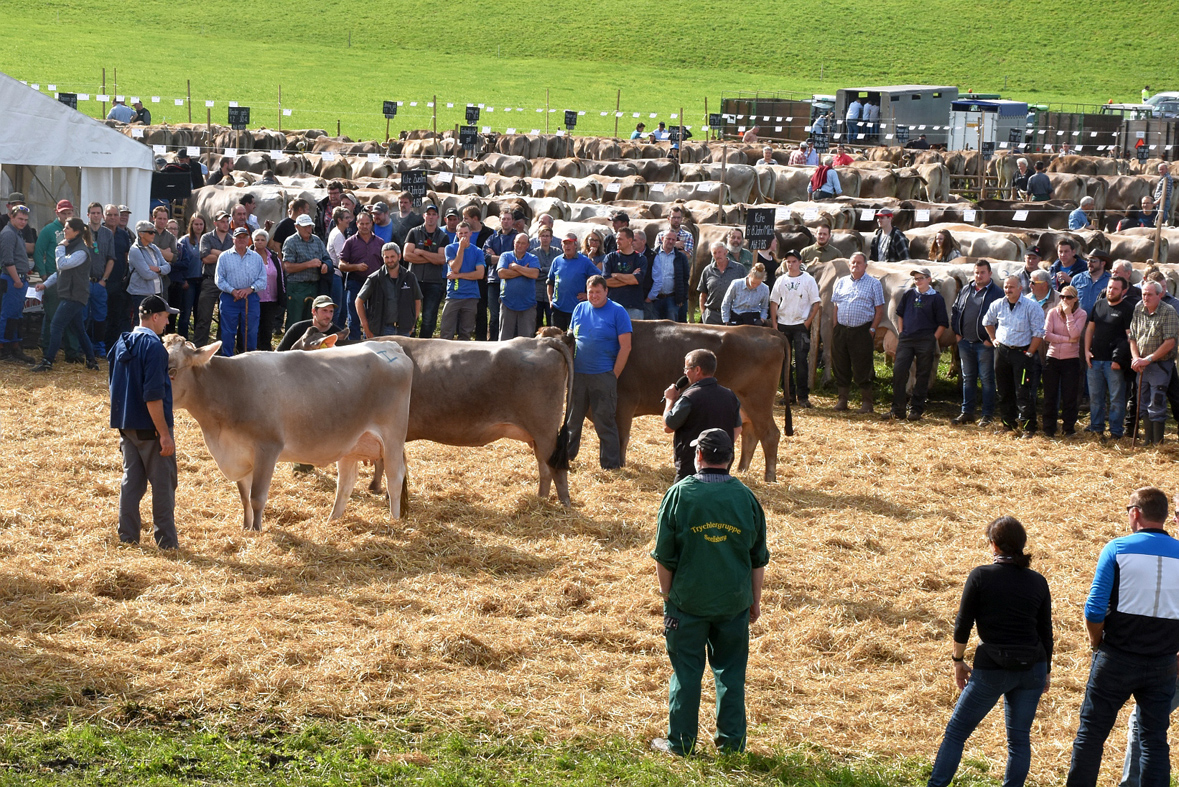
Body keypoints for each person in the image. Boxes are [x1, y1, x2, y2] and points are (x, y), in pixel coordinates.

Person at [650, 428, 768, 756]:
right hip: (733, 603)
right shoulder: (746, 498)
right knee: (730, 673)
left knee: (686, 673)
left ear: (698, 456)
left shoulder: (678, 495)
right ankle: (732, 746)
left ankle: (680, 744)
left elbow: (663, 555)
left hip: (687, 603)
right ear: (730, 458)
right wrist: (754, 601)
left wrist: (668, 595)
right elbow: (758, 559)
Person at [1065, 487, 1179, 787]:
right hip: (1163, 661)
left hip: (1116, 655)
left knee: (1091, 735)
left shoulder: (1117, 548)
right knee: (1154, 741)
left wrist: (1096, 642)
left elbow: (1094, 608)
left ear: (1136, 513)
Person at [926, 516, 1052, 787]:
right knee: (1019, 739)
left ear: (994, 545)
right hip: (1033, 666)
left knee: (957, 732)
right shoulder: (1038, 581)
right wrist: (1047, 672)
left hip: (993, 667)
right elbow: (1046, 632)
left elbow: (963, 625)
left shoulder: (981, 576)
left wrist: (958, 660)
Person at [108, 295, 179, 550]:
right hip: (151, 428)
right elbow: (152, 396)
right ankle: (167, 543)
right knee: (163, 485)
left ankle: (127, 538)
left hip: (127, 427)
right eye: (166, 316)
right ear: (155, 317)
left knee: (131, 483)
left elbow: (114, 385)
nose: (168, 321)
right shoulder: (155, 348)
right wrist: (164, 434)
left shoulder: (120, 343)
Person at [568, 276, 631, 469]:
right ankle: (566, 459)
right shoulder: (579, 309)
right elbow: (571, 339)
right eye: (590, 292)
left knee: (604, 422)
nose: (593, 296)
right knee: (572, 420)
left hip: (603, 374)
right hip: (578, 375)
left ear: (606, 291)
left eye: (597, 292)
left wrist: (614, 374)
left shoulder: (618, 312)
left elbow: (626, 346)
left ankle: (610, 465)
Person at [662, 349, 743, 483]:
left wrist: (670, 400)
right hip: (722, 469)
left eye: (687, 368)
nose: (684, 372)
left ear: (697, 370)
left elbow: (668, 426)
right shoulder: (730, 395)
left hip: (691, 469)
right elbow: (738, 428)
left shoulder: (689, 397)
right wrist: (718, 449)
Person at [31, 217, 99, 372]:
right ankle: (92, 361)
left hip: (74, 296)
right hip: (70, 295)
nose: (64, 230)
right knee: (79, 329)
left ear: (76, 232)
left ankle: (48, 361)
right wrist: (45, 284)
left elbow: (62, 264)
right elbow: (60, 272)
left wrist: (59, 247)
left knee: (56, 325)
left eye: (67, 228)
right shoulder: (72, 248)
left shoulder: (81, 251)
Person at [983, 276, 1046, 437]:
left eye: (1011, 287)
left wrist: (1030, 352)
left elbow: (1039, 332)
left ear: (1020, 288)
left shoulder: (1031, 306)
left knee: (1023, 391)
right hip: (1002, 351)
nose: (1008, 290)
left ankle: (1028, 427)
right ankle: (1007, 424)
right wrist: (993, 339)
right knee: (1004, 390)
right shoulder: (997, 304)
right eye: (1005, 287)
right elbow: (987, 321)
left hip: (1022, 353)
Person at [886, 267, 948, 421]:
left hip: (925, 340)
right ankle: (897, 409)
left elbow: (942, 323)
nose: (917, 281)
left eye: (921, 278)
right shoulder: (908, 294)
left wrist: (933, 339)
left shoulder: (936, 298)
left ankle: (916, 410)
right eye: (915, 278)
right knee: (899, 371)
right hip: (907, 339)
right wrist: (901, 332)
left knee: (922, 375)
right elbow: (900, 314)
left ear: (929, 279)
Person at [951, 260, 1004, 426]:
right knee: (968, 378)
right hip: (965, 342)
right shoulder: (966, 290)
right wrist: (958, 334)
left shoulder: (997, 293)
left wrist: (991, 340)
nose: (979, 276)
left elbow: (1002, 318)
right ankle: (967, 412)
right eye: (976, 272)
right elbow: (955, 310)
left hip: (984, 344)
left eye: (982, 272)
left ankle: (987, 414)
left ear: (990, 274)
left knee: (987, 379)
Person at [831, 252, 885, 413]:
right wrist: (835, 325)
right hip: (841, 329)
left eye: (859, 263)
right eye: (853, 262)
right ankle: (842, 400)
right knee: (841, 364)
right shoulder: (841, 282)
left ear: (865, 266)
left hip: (862, 330)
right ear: (849, 264)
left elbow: (879, 309)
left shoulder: (874, 284)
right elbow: (836, 305)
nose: (855, 265)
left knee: (862, 365)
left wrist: (872, 329)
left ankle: (867, 402)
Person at [1084, 275, 1134, 440]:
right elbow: (1090, 329)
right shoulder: (1099, 304)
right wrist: (1086, 351)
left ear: (1123, 291)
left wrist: (1120, 360)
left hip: (1113, 363)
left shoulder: (1127, 309)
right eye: (1110, 287)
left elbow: (1130, 338)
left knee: (1116, 400)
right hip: (1095, 360)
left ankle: (1115, 433)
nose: (1111, 291)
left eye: (1115, 288)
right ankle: (1097, 429)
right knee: (1096, 399)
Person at [1129, 280, 1178, 445]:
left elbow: (1169, 343)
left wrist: (1148, 359)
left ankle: (1158, 443)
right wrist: (1136, 358)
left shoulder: (1168, 312)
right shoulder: (1138, 308)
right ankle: (1148, 440)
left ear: (1160, 295)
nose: (1145, 297)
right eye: (1143, 294)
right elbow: (1133, 338)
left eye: (1149, 294)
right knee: (1142, 402)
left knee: (1156, 401)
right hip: (1142, 365)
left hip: (1160, 365)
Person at [769, 250, 819, 408]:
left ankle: (803, 396)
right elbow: (774, 302)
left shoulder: (808, 280)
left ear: (800, 262)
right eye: (788, 261)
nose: (791, 265)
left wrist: (808, 322)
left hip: (800, 325)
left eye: (794, 261)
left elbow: (816, 302)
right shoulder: (781, 280)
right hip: (784, 324)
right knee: (785, 361)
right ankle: (788, 395)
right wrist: (775, 324)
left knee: (802, 362)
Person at [1041, 285, 1087, 437]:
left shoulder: (1081, 314)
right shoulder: (1052, 312)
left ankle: (1068, 428)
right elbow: (1046, 335)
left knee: (1070, 396)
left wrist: (1068, 315)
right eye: (1062, 297)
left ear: (1075, 299)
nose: (1064, 300)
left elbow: (1076, 334)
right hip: (1052, 357)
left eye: (1068, 297)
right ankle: (1049, 428)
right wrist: (1066, 340)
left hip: (1071, 359)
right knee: (1050, 395)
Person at [214, 226, 266, 356]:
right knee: (227, 331)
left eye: (244, 237)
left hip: (250, 299)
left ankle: (249, 358)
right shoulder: (224, 257)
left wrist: (250, 289)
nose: (241, 240)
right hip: (229, 298)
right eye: (238, 237)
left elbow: (262, 280)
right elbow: (219, 279)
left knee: (251, 331)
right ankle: (228, 359)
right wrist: (232, 291)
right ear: (233, 239)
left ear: (248, 239)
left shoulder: (256, 257)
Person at [355, 241, 421, 338]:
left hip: (403, 330)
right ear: (383, 258)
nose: (390, 260)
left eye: (392, 256)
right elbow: (358, 301)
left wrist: (412, 323)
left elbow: (417, 300)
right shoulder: (374, 278)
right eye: (386, 257)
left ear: (399, 256)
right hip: (379, 330)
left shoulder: (410, 277)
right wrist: (365, 326)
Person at [338, 210, 385, 340]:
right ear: (357, 224)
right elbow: (341, 265)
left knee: (372, 316)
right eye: (361, 224)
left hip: (374, 284)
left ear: (371, 223)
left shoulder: (380, 242)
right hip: (355, 283)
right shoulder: (350, 242)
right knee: (353, 316)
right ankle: (353, 345)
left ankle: (369, 342)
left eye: (367, 223)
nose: (364, 226)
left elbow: (385, 264)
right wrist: (355, 267)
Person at [0, 204, 35, 364]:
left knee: (16, 315)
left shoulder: (17, 233)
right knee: (8, 315)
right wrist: (16, 280)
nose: (23, 222)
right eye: (20, 219)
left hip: (19, 279)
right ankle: (4, 349)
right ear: (11, 217)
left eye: (25, 220)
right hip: (13, 280)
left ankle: (14, 346)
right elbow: (7, 260)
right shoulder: (8, 234)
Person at [282, 214, 329, 330]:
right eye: (305, 227)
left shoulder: (317, 240)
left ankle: (309, 344)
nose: (308, 229)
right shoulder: (291, 242)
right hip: (297, 286)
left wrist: (326, 265)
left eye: (310, 226)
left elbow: (326, 257)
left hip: (313, 285)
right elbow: (287, 267)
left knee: (311, 320)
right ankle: (291, 346)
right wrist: (309, 264)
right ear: (296, 227)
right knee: (295, 320)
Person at [439, 222, 485, 340]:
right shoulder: (450, 248)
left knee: (466, 332)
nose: (464, 236)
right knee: (446, 331)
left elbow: (480, 274)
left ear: (471, 233)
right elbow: (455, 267)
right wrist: (461, 248)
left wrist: (458, 276)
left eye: (466, 233)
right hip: (454, 295)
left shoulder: (478, 251)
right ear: (457, 234)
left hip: (471, 295)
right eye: (461, 233)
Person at [547, 232, 601, 331]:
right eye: (565, 243)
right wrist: (551, 300)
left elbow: (599, 279)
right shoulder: (557, 261)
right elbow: (550, 282)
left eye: (569, 243)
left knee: (576, 339)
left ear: (575, 245)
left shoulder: (584, 261)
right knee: (558, 339)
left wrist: (587, 295)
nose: (567, 246)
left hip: (577, 308)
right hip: (558, 308)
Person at [195, 211, 233, 346]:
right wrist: (225, 255)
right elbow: (205, 258)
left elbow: (233, 260)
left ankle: (221, 349)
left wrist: (215, 252)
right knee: (203, 318)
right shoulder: (206, 237)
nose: (225, 224)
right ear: (215, 223)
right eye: (222, 221)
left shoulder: (232, 239)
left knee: (225, 318)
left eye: (227, 221)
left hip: (227, 282)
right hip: (210, 280)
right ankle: (199, 348)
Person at [482, 209, 518, 342]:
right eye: (503, 218)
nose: (506, 221)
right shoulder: (492, 238)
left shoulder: (518, 238)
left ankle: (509, 343)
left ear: (513, 221)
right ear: (499, 220)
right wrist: (507, 259)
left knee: (510, 314)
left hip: (512, 280)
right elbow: (485, 258)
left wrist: (495, 257)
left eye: (508, 219)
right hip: (494, 280)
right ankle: (492, 342)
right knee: (494, 315)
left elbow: (519, 260)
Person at [600, 227, 649, 323]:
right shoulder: (610, 258)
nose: (617, 241)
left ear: (630, 240)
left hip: (634, 308)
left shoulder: (640, 259)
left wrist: (616, 275)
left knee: (634, 337)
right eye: (617, 238)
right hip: (612, 306)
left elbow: (637, 280)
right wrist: (630, 277)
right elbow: (606, 281)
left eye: (620, 239)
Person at [496, 233, 540, 339]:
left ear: (528, 245)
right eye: (518, 243)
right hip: (507, 302)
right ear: (514, 243)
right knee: (504, 338)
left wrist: (515, 267)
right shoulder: (505, 256)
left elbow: (534, 274)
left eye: (523, 243)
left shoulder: (533, 258)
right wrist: (524, 270)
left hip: (527, 304)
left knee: (526, 339)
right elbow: (502, 274)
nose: (519, 245)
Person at [126, 220, 171, 316]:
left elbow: (168, 267)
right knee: (141, 321)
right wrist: (161, 271)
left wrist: (157, 269)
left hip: (157, 292)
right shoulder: (135, 250)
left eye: (154, 232)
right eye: (150, 232)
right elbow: (146, 274)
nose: (153, 234)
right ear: (141, 234)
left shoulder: (154, 248)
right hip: (140, 294)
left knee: (155, 321)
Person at [645, 229, 691, 322]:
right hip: (655, 298)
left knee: (672, 326)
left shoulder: (680, 257)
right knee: (654, 325)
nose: (670, 241)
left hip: (672, 298)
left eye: (673, 240)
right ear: (662, 238)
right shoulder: (652, 254)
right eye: (668, 238)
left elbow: (685, 278)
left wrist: (681, 297)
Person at [697, 243, 747, 325]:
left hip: (733, 315)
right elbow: (703, 294)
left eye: (719, 252)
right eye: (714, 253)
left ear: (726, 252)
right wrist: (703, 313)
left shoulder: (739, 269)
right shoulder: (707, 270)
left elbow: (746, 291)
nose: (717, 255)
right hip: (712, 315)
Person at [252, 229, 285, 351]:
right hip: (255, 298)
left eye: (262, 240)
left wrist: (282, 292)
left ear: (266, 241)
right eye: (257, 240)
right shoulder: (249, 256)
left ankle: (266, 349)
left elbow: (280, 275)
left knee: (267, 326)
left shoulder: (273, 257)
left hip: (271, 298)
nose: (260, 242)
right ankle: (253, 349)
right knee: (255, 326)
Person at [531, 226, 563, 327]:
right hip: (537, 293)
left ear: (551, 238)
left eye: (547, 236)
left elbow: (559, 271)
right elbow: (534, 274)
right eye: (543, 236)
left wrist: (542, 269)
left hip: (552, 294)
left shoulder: (558, 253)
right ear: (538, 238)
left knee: (552, 321)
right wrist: (550, 272)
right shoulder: (533, 254)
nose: (545, 238)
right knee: (537, 322)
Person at [1070, 250, 1111, 315]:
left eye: (1093, 261)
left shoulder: (1110, 281)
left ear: (1103, 263)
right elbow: (1069, 299)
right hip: (1078, 321)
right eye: (1088, 260)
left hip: (1100, 322)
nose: (1089, 263)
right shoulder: (1077, 278)